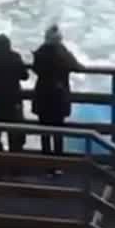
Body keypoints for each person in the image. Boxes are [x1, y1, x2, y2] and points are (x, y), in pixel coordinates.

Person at [31, 24, 79, 159]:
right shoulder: (62, 52)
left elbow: (35, 69)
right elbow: (77, 66)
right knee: (58, 133)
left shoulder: (41, 51)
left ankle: (46, 163)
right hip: (59, 96)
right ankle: (58, 163)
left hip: (43, 96)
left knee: (44, 133)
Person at [0, 33, 30, 153]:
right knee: (16, 138)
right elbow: (25, 76)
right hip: (13, 102)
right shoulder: (15, 57)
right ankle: (14, 163)